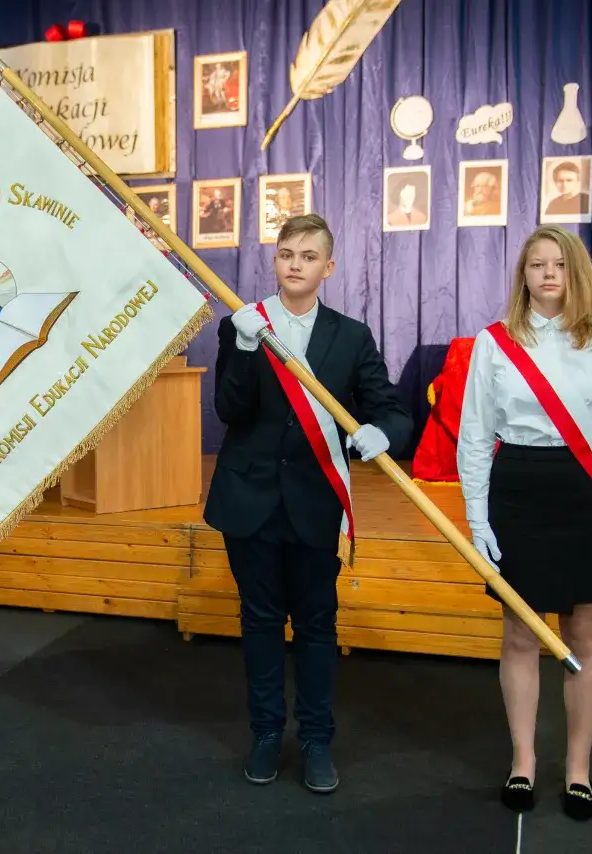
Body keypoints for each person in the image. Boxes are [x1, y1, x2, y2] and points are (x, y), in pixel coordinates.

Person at [202, 214, 412, 792]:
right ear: (275, 260)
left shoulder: (350, 336)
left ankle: (317, 740)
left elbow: (389, 406)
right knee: (261, 623)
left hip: (316, 503)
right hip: (250, 503)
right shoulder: (244, 326)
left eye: (308, 256)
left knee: (318, 627)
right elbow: (230, 410)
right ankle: (267, 733)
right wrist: (244, 347)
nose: (295, 264)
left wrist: (383, 434)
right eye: (286, 253)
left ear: (328, 267)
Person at [457, 225, 592, 820]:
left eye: (558, 264)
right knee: (520, 635)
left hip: (588, 493)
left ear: (577, 273)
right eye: (535, 264)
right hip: (517, 491)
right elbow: (473, 436)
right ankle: (523, 763)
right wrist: (477, 516)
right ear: (522, 275)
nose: (547, 274)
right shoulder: (495, 342)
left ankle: (578, 770)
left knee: (584, 637)